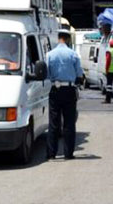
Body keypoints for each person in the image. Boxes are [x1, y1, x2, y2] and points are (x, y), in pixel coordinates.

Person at [46, 30, 84, 160]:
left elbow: (46, 73)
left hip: (55, 90)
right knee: (69, 123)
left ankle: (51, 154)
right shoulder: (73, 54)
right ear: (68, 39)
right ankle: (68, 154)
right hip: (69, 90)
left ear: (58, 39)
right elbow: (79, 73)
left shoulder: (49, 54)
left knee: (53, 123)